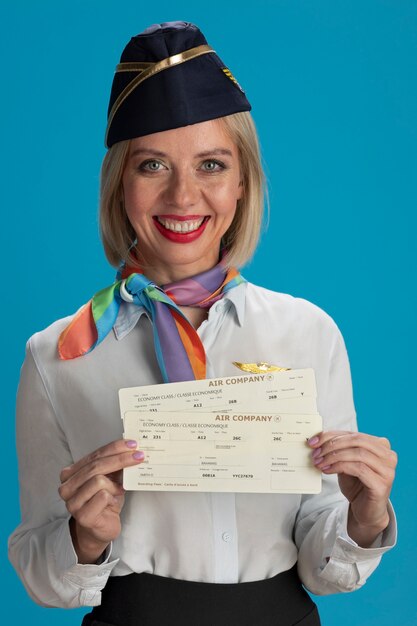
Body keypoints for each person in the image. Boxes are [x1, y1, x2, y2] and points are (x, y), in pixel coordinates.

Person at [9, 21, 397, 626]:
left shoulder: (309, 332)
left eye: (211, 164)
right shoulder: (56, 355)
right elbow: (43, 574)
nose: (184, 196)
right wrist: (85, 539)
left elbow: (325, 565)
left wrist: (364, 515)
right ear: (120, 186)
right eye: (153, 165)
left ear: (242, 182)